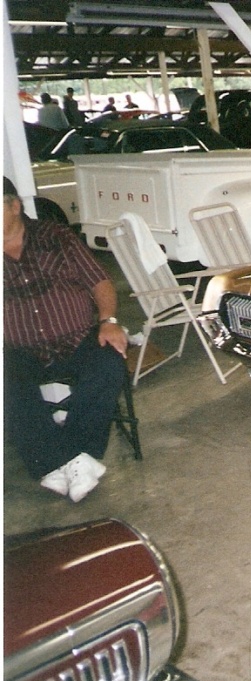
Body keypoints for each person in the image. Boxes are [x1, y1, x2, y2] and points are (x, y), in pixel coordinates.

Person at [3, 177, 128, 502]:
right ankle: (74, 462)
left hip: (77, 338)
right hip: (20, 350)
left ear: (14, 206)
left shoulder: (55, 236)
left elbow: (99, 281)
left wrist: (109, 321)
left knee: (110, 362)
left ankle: (58, 462)